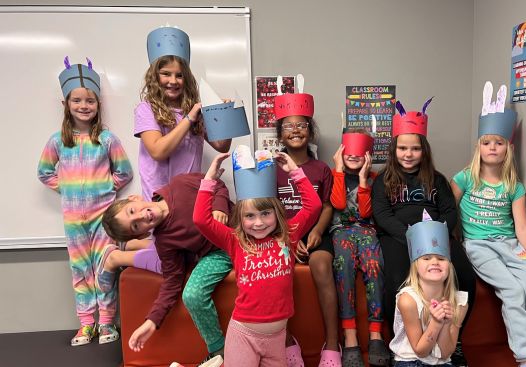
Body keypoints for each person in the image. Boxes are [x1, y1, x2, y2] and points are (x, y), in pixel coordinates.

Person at [450, 82, 526, 367]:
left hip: (510, 245)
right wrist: (454, 240)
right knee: (512, 290)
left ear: (509, 147)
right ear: (478, 147)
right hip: (478, 246)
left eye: (498, 143)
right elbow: (449, 209)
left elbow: (522, 228)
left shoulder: (514, 186)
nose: (492, 148)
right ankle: (525, 356)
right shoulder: (464, 178)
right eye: (486, 143)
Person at [193, 148, 322, 366]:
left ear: (277, 212)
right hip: (243, 335)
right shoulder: (235, 240)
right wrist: (209, 181)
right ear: (240, 218)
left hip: (277, 337)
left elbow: (314, 205)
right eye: (250, 216)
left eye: (265, 213)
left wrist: (295, 172)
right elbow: (201, 220)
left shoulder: (288, 235)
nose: (259, 222)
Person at [371, 99, 476, 366]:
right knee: (396, 276)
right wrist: (408, 236)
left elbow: (450, 211)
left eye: (415, 149)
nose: (408, 154)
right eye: (403, 148)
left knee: (463, 274)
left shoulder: (436, 179)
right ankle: (400, 339)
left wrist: (438, 234)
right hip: (399, 237)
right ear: (394, 150)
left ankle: (455, 337)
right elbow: (382, 215)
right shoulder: (383, 181)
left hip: (437, 238)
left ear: (424, 151)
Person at [37, 57, 133, 346]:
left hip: (102, 217)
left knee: (104, 267)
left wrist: (104, 190)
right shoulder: (58, 141)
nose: (83, 105)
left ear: (98, 104)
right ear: (66, 103)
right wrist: (67, 190)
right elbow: (44, 173)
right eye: (76, 100)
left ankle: (106, 323)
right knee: (80, 269)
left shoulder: (106, 139)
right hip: (73, 219)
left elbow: (124, 172)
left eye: (89, 100)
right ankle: (86, 324)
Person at [101, 172, 232, 361]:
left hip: (240, 234)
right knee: (192, 295)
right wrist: (152, 321)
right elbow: (172, 281)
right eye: (136, 226)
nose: (141, 217)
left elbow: (217, 183)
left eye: (132, 211)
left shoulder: (181, 183)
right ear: (141, 235)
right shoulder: (164, 242)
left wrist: (220, 208)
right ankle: (219, 350)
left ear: (134, 198)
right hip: (218, 253)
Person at [273, 82, 341, 366]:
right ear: (279, 134)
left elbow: (326, 206)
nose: (296, 130)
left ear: (310, 131)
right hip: (281, 236)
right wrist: (287, 238)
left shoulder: (321, 169)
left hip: (315, 235)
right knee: (275, 271)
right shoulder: (271, 169)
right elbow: (269, 210)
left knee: (323, 265)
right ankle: (287, 343)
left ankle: (333, 346)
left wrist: (316, 232)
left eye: (302, 125)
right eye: (288, 126)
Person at [330, 132, 387, 367]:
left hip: (367, 229)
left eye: (359, 153)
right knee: (343, 266)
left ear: (368, 155)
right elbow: (339, 204)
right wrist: (339, 170)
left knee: (375, 265)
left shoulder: (375, 179)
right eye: (348, 152)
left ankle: (375, 333)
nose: (353, 156)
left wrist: (364, 180)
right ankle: (350, 333)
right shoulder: (335, 175)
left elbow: (365, 213)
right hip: (341, 229)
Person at [389, 213, 468, 366]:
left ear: (449, 265)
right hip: (411, 361)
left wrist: (445, 324)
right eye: (426, 258)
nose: (434, 262)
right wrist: (436, 323)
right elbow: (421, 351)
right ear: (415, 266)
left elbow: (446, 353)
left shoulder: (459, 303)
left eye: (441, 258)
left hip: (442, 363)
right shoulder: (408, 300)